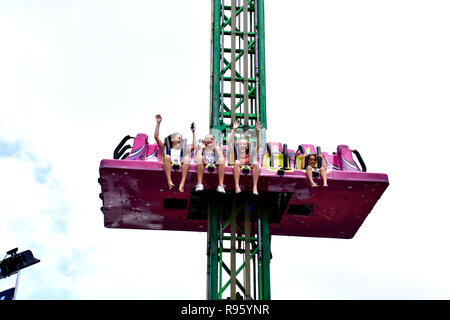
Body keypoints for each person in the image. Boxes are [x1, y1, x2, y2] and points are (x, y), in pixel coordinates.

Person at [154, 114, 196, 192]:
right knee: (167, 157)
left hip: (180, 163)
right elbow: (156, 137)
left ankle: (182, 184)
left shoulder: (184, 149)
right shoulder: (166, 148)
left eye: (181, 138)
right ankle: (169, 181)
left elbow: (194, 147)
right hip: (169, 162)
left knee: (187, 158)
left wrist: (194, 133)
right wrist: (158, 124)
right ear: (172, 140)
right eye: (179, 137)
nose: (181, 139)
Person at [228, 120, 261, 195]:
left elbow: (258, 145)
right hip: (238, 166)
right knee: (237, 162)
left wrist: (258, 132)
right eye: (240, 144)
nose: (242, 145)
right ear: (238, 146)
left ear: (247, 146)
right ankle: (237, 185)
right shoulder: (235, 152)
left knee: (255, 163)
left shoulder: (250, 153)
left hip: (248, 167)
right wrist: (234, 129)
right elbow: (229, 142)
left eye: (244, 144)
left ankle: (255, 186)